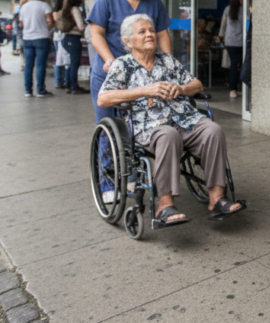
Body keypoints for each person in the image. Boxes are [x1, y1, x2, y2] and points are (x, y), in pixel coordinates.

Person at [97, 14, 243, 224]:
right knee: (168, 134)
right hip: (149, 127)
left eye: (151, 30)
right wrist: (145, 91)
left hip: (184, 118)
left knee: (213, 130)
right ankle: (164, 205)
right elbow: (103, 98)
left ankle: (217, 198)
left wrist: (181, 88)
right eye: (142, 31)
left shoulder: (167, 60)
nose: (149, 34)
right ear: (128, 42)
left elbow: (197, 85)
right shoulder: (122, 65)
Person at [88, 0, 171, 122]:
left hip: (144, 76)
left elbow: (162, 34)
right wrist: (110, 61)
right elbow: (96, 34)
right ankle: (106, 150)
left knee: (144, 126)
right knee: (109, 126)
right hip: (109, 74)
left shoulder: (154, 1)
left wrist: (168, 63)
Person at [19, 0, 55, 97]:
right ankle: (40, 90)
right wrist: (45, 28)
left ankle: (28, 91)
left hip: (27, 38)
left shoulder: (24, 7)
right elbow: (51, 21)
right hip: (41, 38)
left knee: (28, 65)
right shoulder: (44, 5)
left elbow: (21, 24)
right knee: (40, 65)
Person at [58, 0, 89, 94]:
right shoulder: (75, 9)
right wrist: (88, 28)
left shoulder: (66, 9)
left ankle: (68, 85)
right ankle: (74, 86)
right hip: (73, 39)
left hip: (65, 38)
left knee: (69, 64)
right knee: (75, 63)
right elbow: (80, 26)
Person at [219, 0, 244, 98]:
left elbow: (223, 26)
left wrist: (221, 37)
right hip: (240, 42)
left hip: (230, 42)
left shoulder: (227, 9)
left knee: (235, 65)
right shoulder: (246, 9)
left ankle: (233, 89)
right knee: (238, 65)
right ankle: (236, 87)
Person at [52, 0, 66, 89]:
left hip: (57, 35)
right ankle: (59, 80)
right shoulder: (58, 12)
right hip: (59, 36)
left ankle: (60, 80)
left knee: (60, 58)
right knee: (60, 58)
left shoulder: (56, 12)